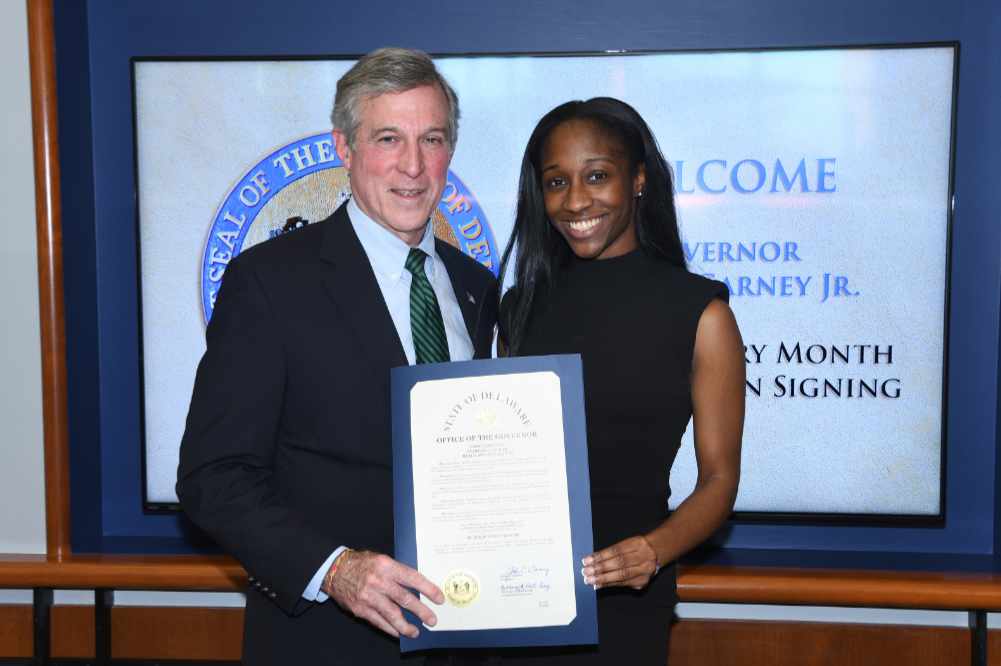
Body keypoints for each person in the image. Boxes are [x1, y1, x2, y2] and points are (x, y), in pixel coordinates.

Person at [177, 48, 498, 665]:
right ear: (345, 149)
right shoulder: (269, 283)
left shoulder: (477, 287)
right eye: (387, 139)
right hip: (328, 642)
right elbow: (212, 476)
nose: (412, 165)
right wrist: (336, 571)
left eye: (431, 139)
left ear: (450, 152)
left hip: (469, 637)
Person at [498, 97, 744, 664]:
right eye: (556, 182)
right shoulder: (518, 309)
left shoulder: (701, 313)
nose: (576, 200)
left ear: (637, 181)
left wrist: (652, 552)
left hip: (628, 599)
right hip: (515, 596)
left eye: (597, 176)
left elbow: (720, 481)